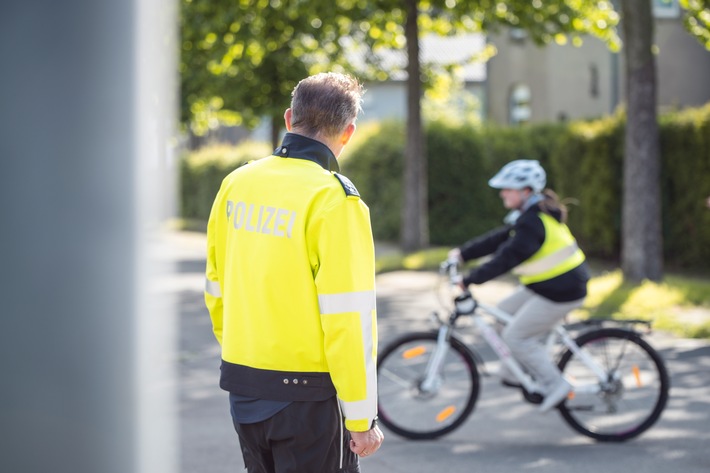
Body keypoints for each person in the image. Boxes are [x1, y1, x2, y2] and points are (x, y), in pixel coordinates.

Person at [204, 72, 383, 473]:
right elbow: (349, 319)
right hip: (307, 397)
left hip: (245, 384)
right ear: (349, 132)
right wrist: (361, 418)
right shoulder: (334, 199)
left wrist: (244, 352)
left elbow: (216, 287)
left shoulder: (236, 184)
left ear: (289, 119)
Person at [448, 159, 590, 413]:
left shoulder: (533, 223)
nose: (502, 193)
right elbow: (497, 239)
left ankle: (555, 384)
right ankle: (517, 372)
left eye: (508, 188)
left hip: (563, 291)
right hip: (546, 286)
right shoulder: (528, 215)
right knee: (503, 313)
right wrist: (462, 254)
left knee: (516, 336)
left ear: (525, 191)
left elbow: (506, 257)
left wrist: (469, 279)